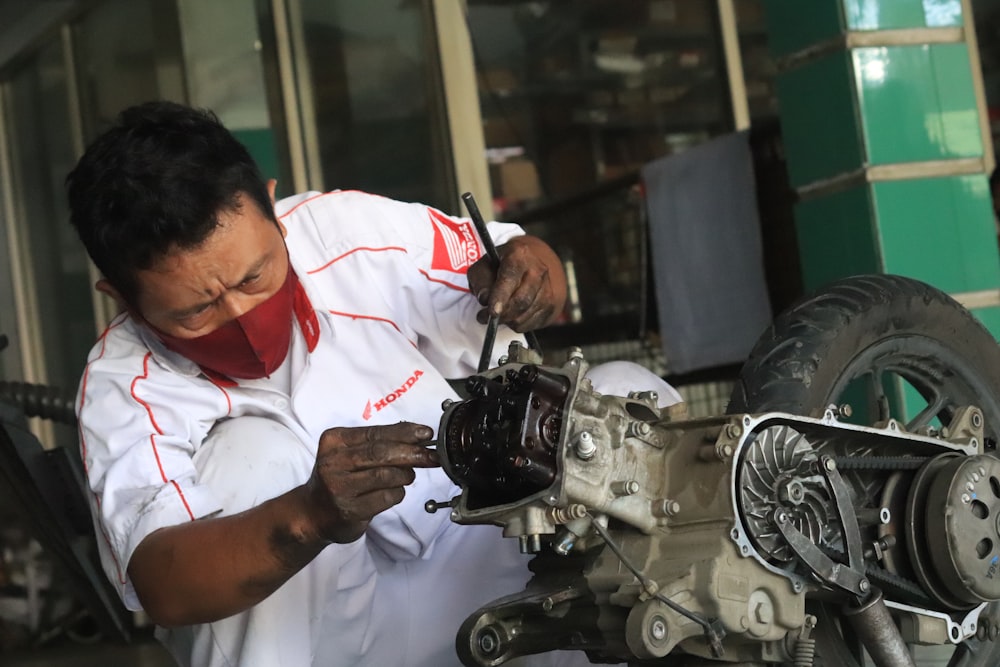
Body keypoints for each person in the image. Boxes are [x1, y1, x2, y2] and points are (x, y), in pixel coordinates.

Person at [66, 101, 676, 667]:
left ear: (273, 210)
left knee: (624, 396)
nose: (240, 317)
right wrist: (309, 514)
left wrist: (529, 276)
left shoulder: (339, 232)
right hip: (331, 642)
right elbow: (163, 582)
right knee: (249, 460)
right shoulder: (125, 384)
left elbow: (520, 256)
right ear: (120, 297)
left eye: (256, 275)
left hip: (482, 563)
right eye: (195, 310)